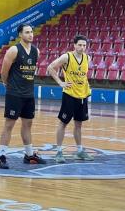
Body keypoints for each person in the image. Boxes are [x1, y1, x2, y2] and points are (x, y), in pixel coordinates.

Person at [0, 23, 46, 169]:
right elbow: (3, 72)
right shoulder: (13, 50)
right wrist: (8, 85)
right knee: (9, 125)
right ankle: (2, 156)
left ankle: (29, 154)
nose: (30, 34)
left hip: (29, 94)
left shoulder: (36, 51)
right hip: (15, 94)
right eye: (27, 32)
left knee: (27, 125)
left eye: (31, 32)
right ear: (20, 34)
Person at [47, 35, 93, 163]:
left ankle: (79, 151)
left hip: (83, 95)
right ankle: (59, 151)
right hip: (69, 95)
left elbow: (83, 75)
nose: (82, 47)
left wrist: (87, 86)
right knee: (63, 123)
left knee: (79, 124)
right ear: (74, 45)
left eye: (84, 45)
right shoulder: (67, 57)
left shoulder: (87, 58)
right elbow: (50, 68)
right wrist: (60, 82)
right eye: (80, 45)